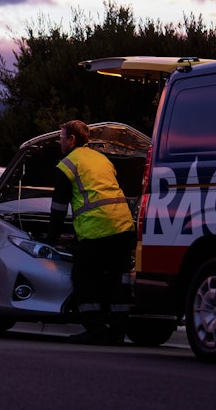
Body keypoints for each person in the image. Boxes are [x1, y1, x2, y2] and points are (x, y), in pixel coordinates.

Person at [43, 120, 135, 345]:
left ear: (72, 140)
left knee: (83, 277)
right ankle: (117, 331)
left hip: (97, 230)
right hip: (123, 227)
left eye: (62, 137)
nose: (59, 141)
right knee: (117, 278)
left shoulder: (68, 164)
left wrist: (51, 239)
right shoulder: (102, 159)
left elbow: (58, 209)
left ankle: (94, 329)